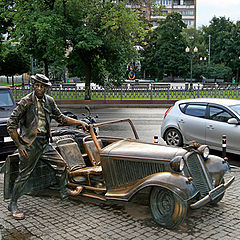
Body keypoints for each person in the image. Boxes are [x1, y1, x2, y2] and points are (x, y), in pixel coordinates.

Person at [7, 74, 88, 220]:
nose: (39, 88)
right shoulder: (25, 102)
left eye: (42, 86)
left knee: (62, 165)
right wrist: (19, 145)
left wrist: (79, 123)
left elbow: (61, 118)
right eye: (37, 85)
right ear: (33, 85)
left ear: (46, 87)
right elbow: (11, 124)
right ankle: (13, 204)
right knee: (24, 175)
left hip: (44, 143)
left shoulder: (49, 101)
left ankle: (63, 191)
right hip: (30, 144)